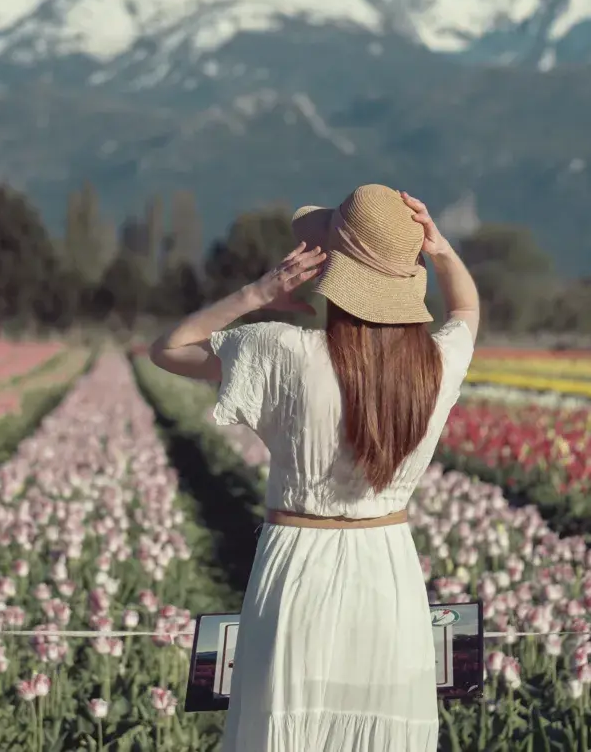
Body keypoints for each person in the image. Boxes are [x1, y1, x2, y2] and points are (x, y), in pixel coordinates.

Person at [149, 183, 481, 752]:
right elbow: (467, 310)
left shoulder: (284, 351)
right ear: (408, 278)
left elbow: (169, 348)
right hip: (389, 569)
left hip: (298, 564)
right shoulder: (437, 364)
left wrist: (258, 293)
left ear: (334, 272)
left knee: (287, 728)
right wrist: (442, 250)